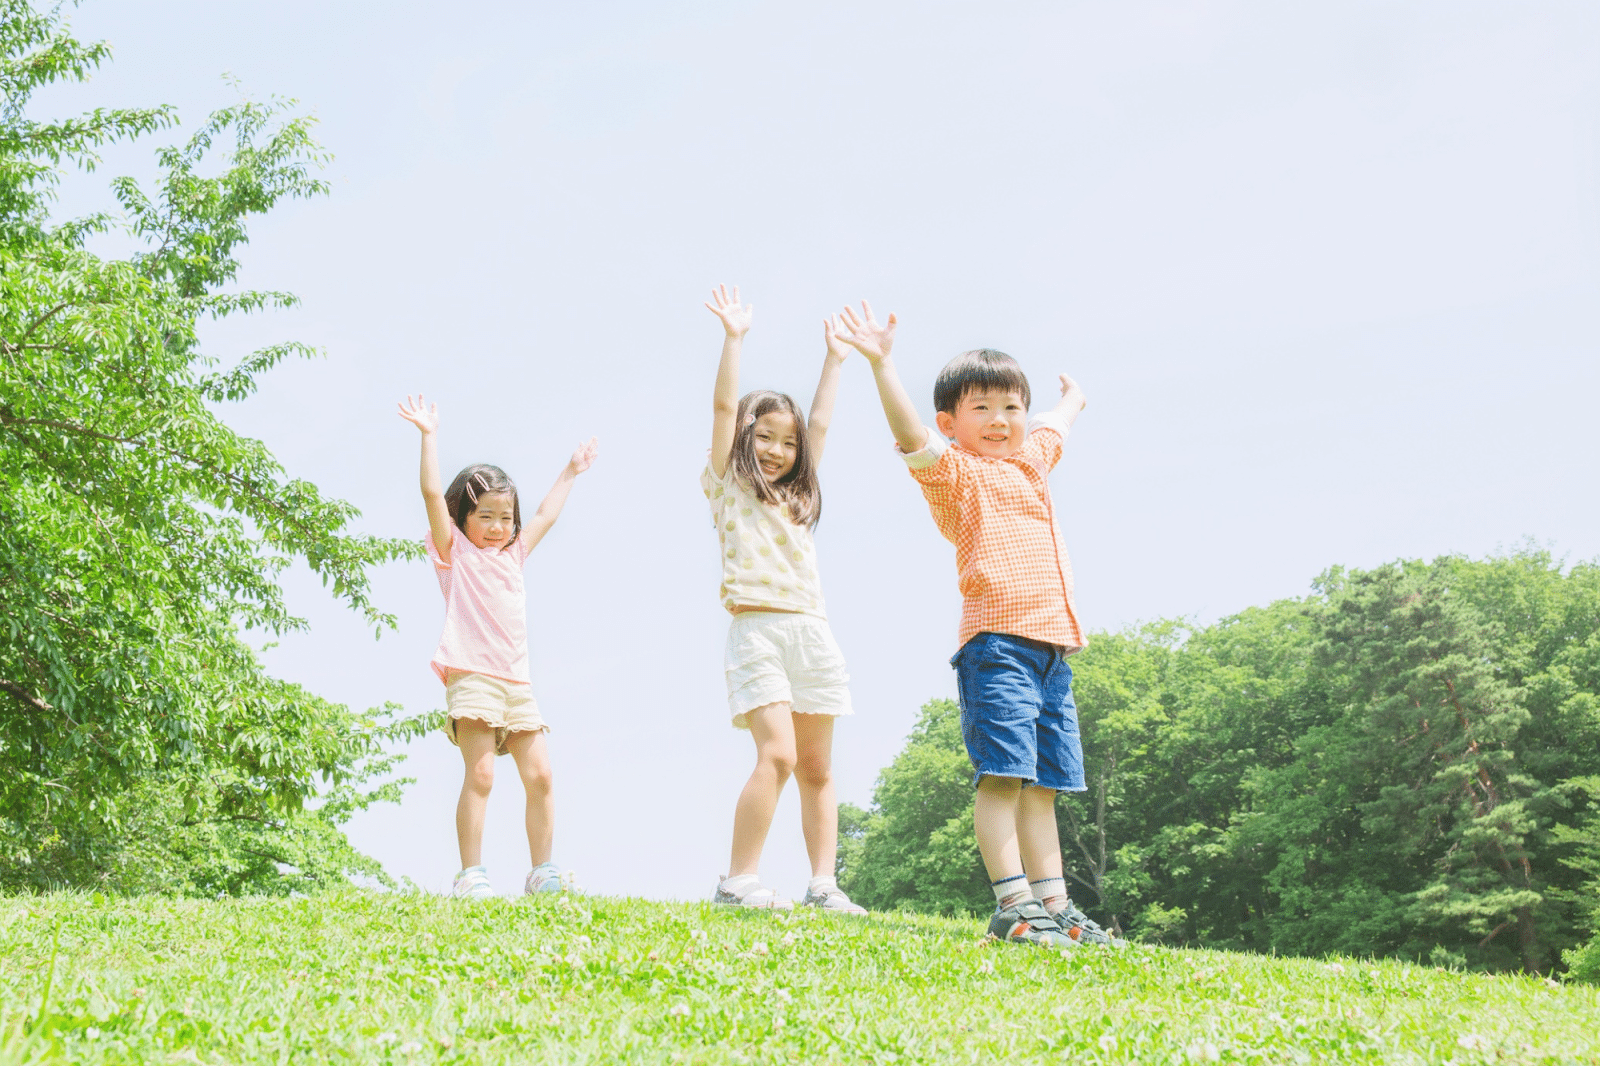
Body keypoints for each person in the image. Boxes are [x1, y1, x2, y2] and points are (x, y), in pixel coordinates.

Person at [833, 302, 1118, 948]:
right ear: (952, 423)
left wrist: (1073, 398)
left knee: (1045, 786)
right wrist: (882, 364)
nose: (1000, 421)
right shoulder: (957, 478)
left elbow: (1054, 424)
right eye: (981, 409)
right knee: (1004, 776)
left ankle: (1055, 907)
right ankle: (1011, 905)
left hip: (1053, 653)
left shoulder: (1032, 463)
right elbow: (912, 438)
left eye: (1010, 408)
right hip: (997, 648)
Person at [701, 284, 867, 914]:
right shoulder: (728, 487)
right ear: (746, 436)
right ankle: (738, 881)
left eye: (787, 442)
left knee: (818, 767)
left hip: (812, 631)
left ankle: (823, 884)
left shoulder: (800, 496)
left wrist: (837, 359)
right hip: (758, 630)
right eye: (765, 436)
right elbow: (721, 407)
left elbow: (819, 423)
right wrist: (733, 338)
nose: (777, 450)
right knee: (776, 753)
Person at [397, 394, 598, 899]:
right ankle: (472, 875)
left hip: (516, 681)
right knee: (482, 773)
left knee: (542, 776)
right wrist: (429, 435)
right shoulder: (455, 554)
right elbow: (428, 493)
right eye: (484, 516)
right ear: (462, 518)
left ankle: (543, 872)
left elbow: (547, 515)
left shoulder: (515, 555)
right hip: (471, 674)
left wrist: (570, 471)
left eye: (505, 518)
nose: (497, 527)